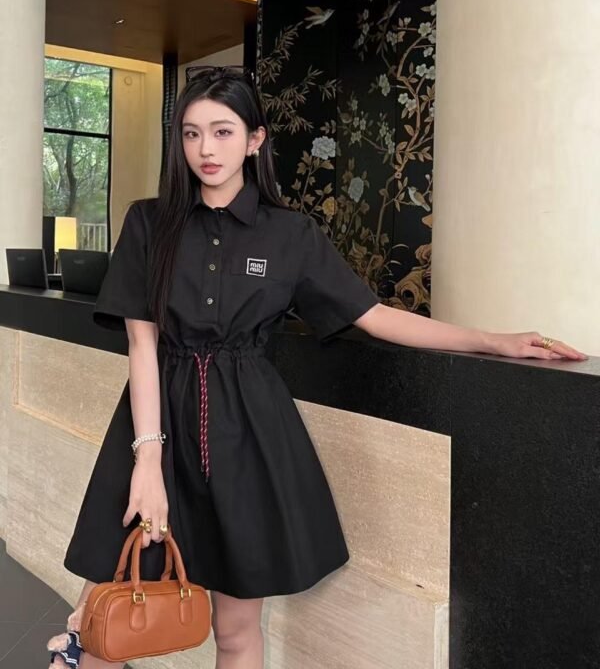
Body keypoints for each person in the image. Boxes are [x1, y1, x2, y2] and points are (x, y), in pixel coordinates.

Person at [47, 66, 587, 669]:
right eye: (192, 134)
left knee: (235, 631)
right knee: (107, 623)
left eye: (223, 132)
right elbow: (142, 345)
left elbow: (374, 316)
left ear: (255, 139)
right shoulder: (149, 222)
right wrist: (148, 461)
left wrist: (492, 340)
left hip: (248, 437)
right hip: (155, 428)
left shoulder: (291, 234)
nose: (206, 149)